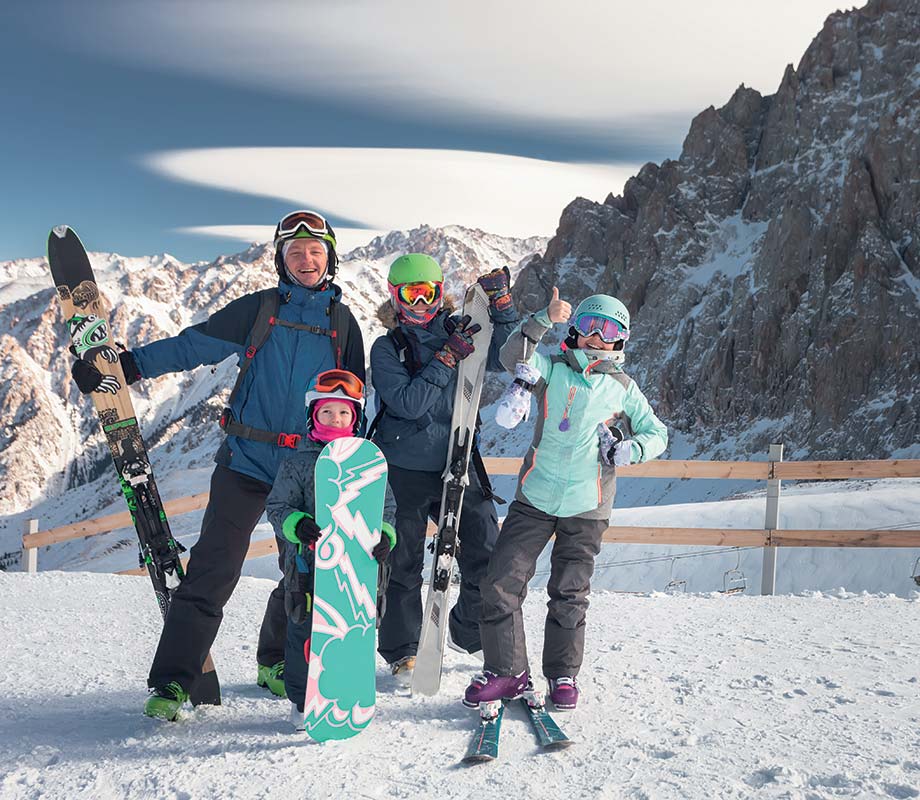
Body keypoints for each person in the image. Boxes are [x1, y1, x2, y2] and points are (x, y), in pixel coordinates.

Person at [70, 210, 365, 720]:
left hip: (309, 466)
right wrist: (126, 366)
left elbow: (358, 398)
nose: (306, 260)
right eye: (295, 252)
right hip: (246, 462)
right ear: (281, 260)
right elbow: (195, 344)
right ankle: (172, 682)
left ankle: (276, 660)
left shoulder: (343, 323)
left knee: (307, 569)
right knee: (213, 567)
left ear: (330, 258)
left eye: (315, 251)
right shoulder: (259, 309)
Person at [463, 289, 668, 711]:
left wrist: (632, 449)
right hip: (534, 498)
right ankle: (508, 673)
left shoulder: (623, 388)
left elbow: (657, 433)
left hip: (588, 506)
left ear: (621, 340)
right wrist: (543, 318)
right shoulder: (552, 369)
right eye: (590, 325)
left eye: (609, 330)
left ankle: (562, 676)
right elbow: (512, 356)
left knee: (569, 592)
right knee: (501, 582)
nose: (597, 336)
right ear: (574, 330)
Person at [368, 253, 519, 683]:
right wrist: (446, 360)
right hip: (404, 466)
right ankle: (402, 650)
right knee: (405, 559)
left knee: (488, 548)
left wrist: (502, 307)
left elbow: (506, 358)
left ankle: (465, 629)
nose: (420, 303)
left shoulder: (460, 330)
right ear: (395, 299)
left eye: (428, 292)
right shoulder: (388, 347)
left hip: (458, 459)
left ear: (440, 293)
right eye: (410, 294)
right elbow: (409, 403)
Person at [265, 369, 397, 730]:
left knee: (351, 632)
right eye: (327, 412)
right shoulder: (298, 462)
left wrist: (385, 535)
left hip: (355, 570)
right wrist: (296, 524)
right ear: (313, 416)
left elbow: (386, 509)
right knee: (305, 636)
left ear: (355, 418)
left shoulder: (369, 462)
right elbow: (277, 507)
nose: (335, 419)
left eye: (343, 413)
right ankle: (301, 699)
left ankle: (345, 691)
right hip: (309, 571)